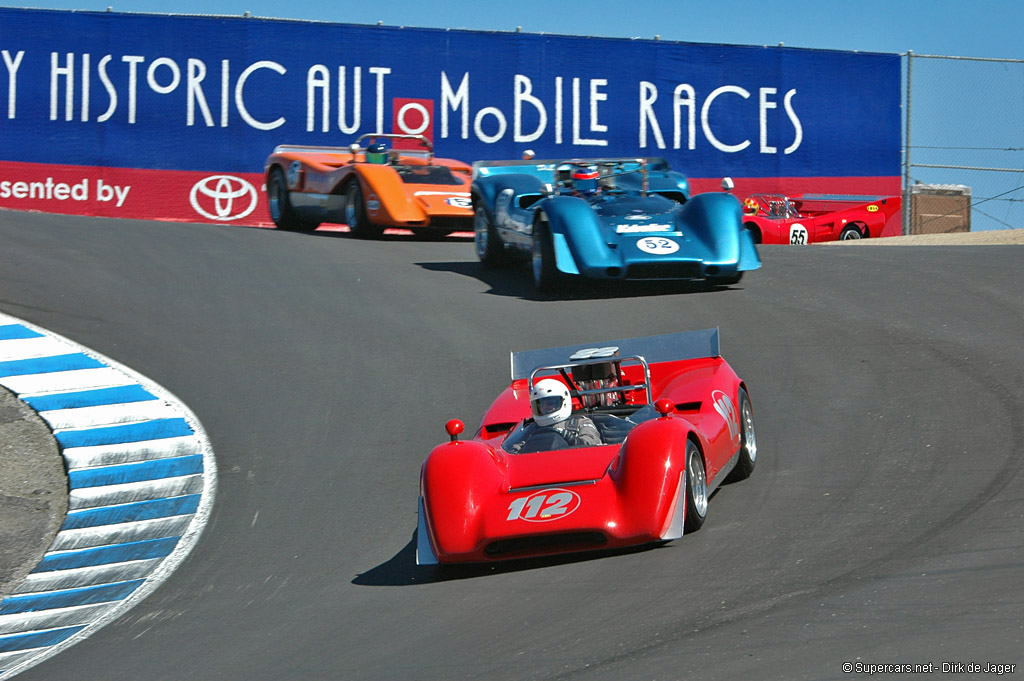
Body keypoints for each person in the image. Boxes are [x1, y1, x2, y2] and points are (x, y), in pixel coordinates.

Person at [507, 378, 602, 453]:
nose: (545, 407)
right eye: (541, 404)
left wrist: (571, 439)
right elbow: (513, 451)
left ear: (564, 401)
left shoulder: (581, 422)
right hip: (537, 469)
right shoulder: (532, 428)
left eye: (550, 403)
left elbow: (591, 444)